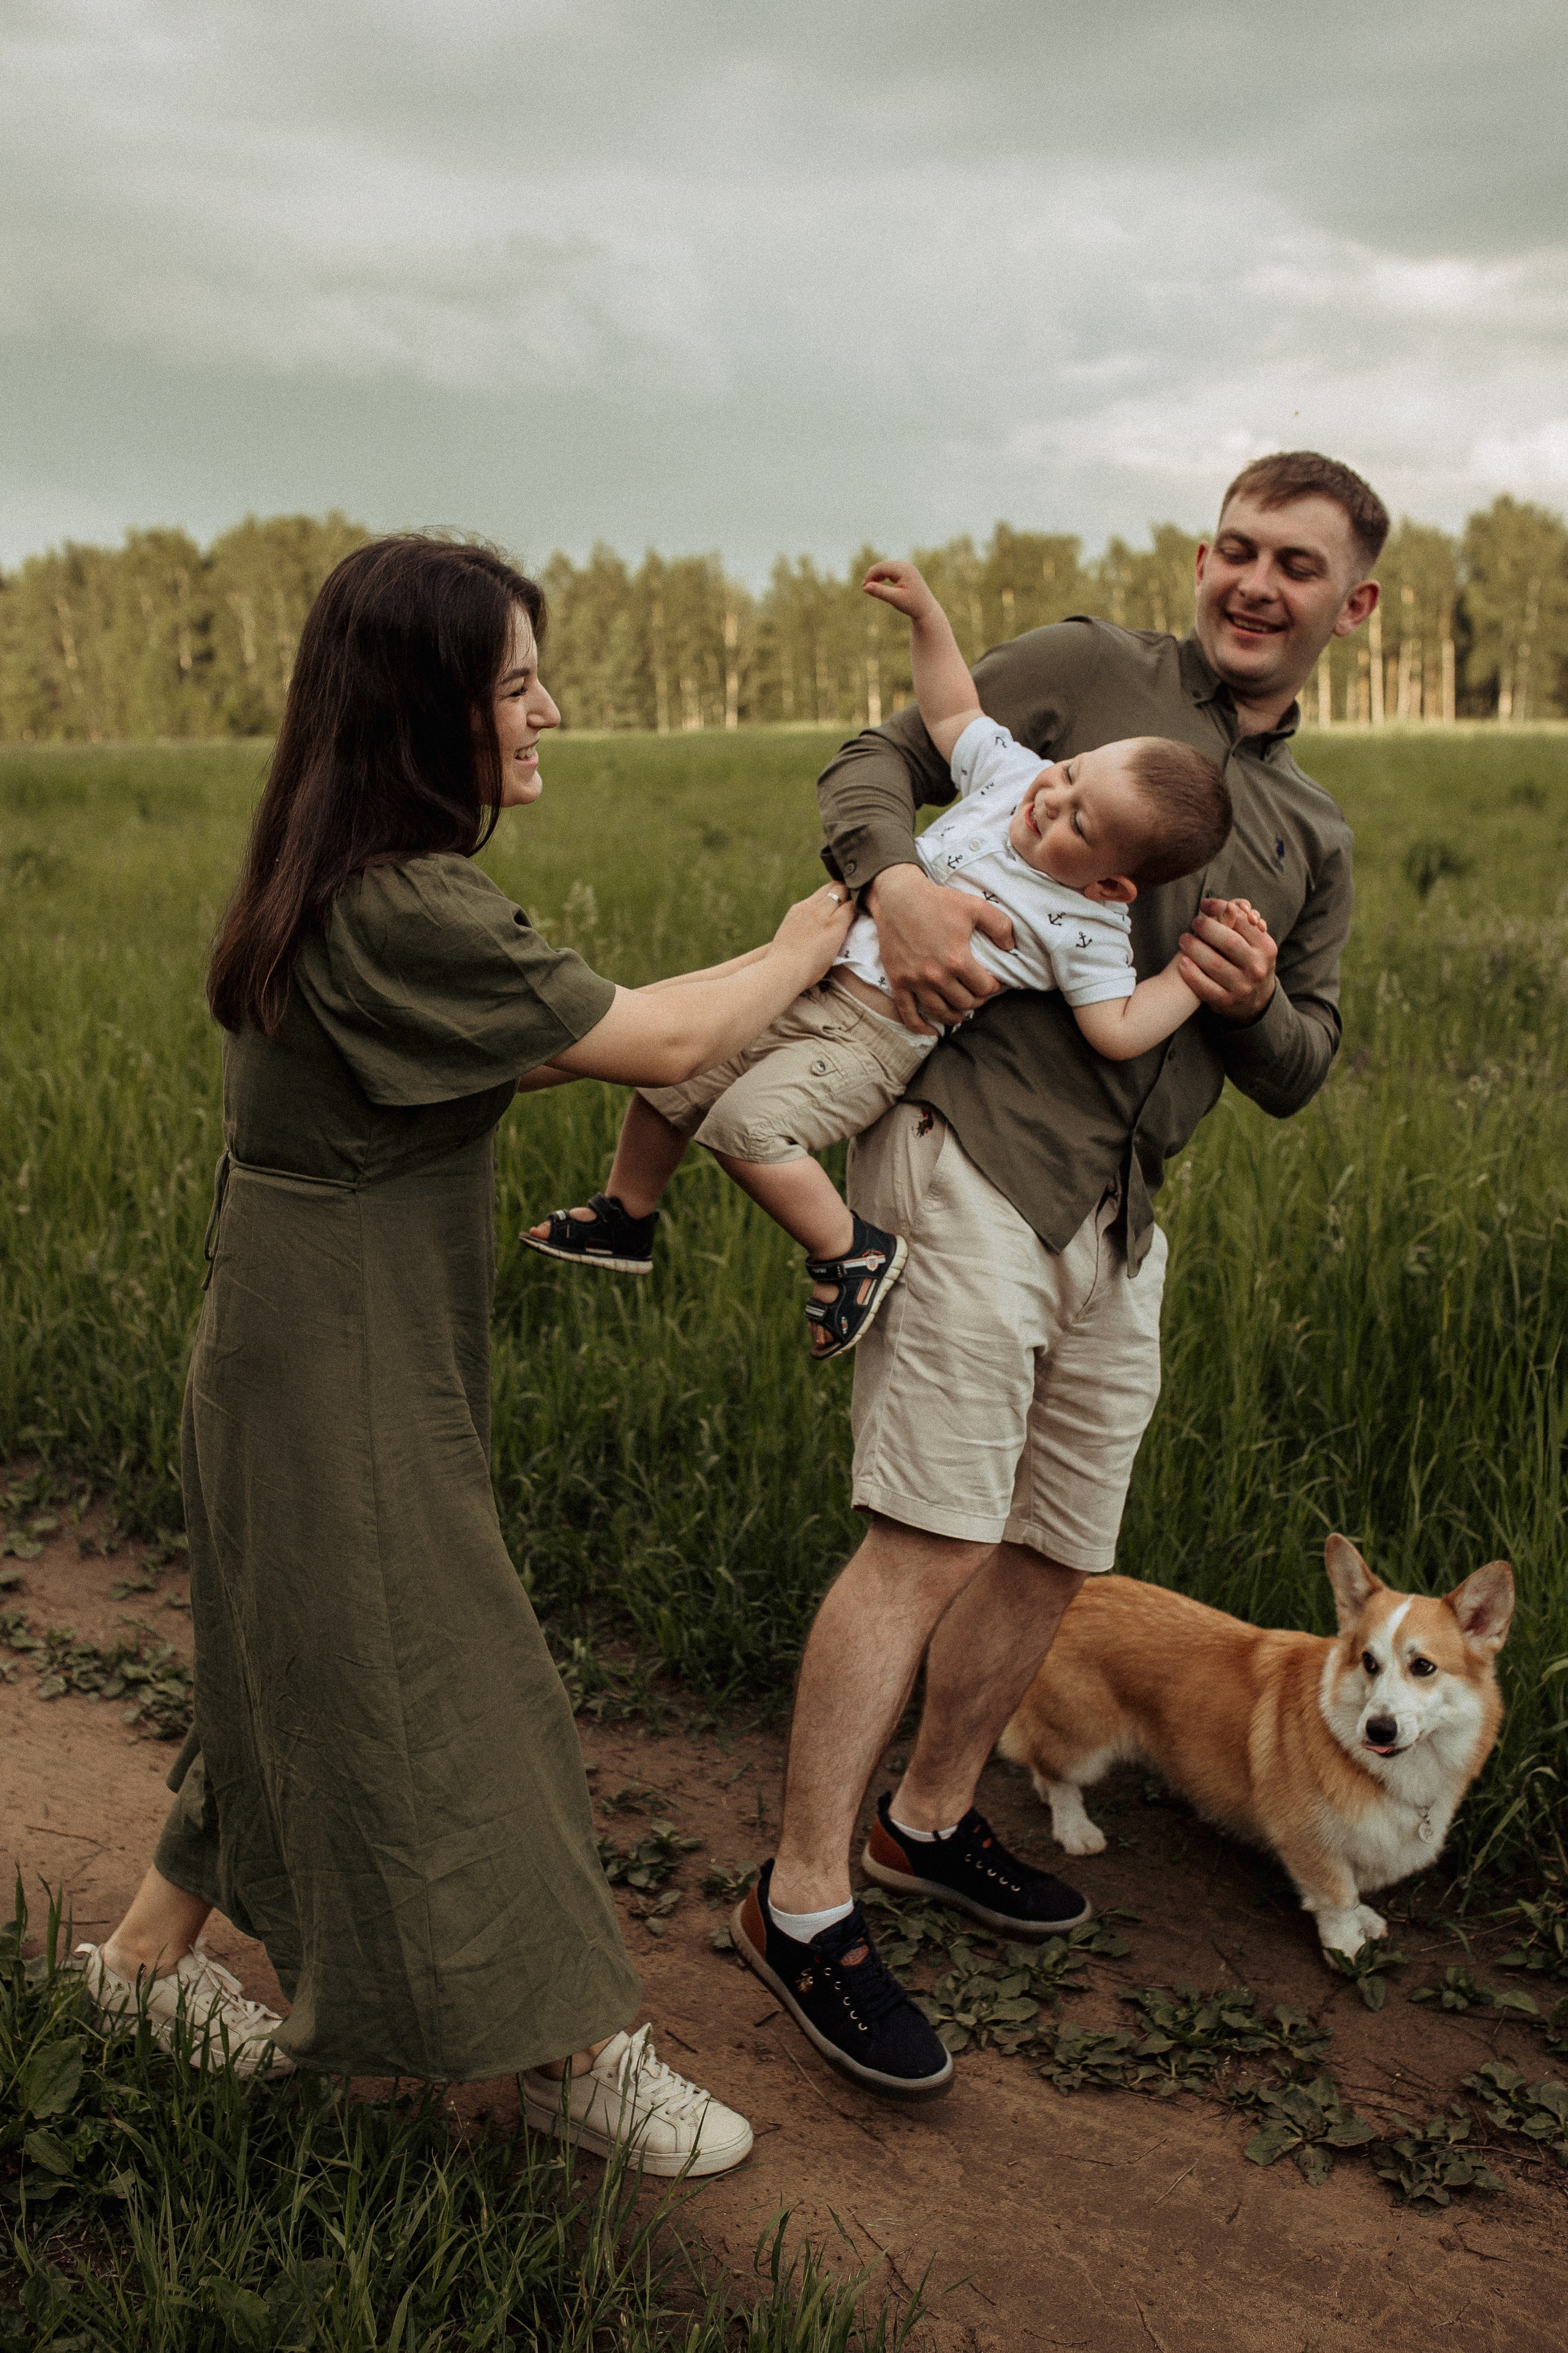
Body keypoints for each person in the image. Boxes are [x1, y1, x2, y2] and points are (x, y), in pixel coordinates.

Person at [72, 535, 853, 2177]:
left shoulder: (341, 873)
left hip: (302, 1324)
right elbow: (669, 1040)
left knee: (294, 1651)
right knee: (457, 1683)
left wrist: (799, 953)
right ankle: (571, 2046)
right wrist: (826, 929)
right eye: (514, 685)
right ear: (427, 712)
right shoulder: (406, 902)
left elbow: (609, 1026)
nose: (546, 710)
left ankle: (145, 1963)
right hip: (337, 1347)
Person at [728, 450, 1384, 2101]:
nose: (1253, 584)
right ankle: (802, 1902)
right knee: (932, 1533)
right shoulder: (1092, 672)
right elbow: (885, 753)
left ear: (1352, 607)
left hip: (1121, 1214)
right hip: (971, 1147)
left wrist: (1241, 1000)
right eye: (1235, 550)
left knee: (1056, 1543)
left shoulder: (1309, 832)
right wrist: (898, 885)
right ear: (1200, 557)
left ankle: (930, 1819)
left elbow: (1303, 1059)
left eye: (1294, 567)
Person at [523, 560, 1261, 1359]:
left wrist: (1188, 978)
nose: (1050, 801)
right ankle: (627, 1213)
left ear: (1113, 881)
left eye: (1078, 823)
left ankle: (853, 1253)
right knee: (667, 1075)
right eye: (1071, 772)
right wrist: (928, 619)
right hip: (797, 974)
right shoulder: (1014, 775)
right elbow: (951, 709)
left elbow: (1115, 1028)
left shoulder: (1084, 923)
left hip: (870, 1040)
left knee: (743, 1128)